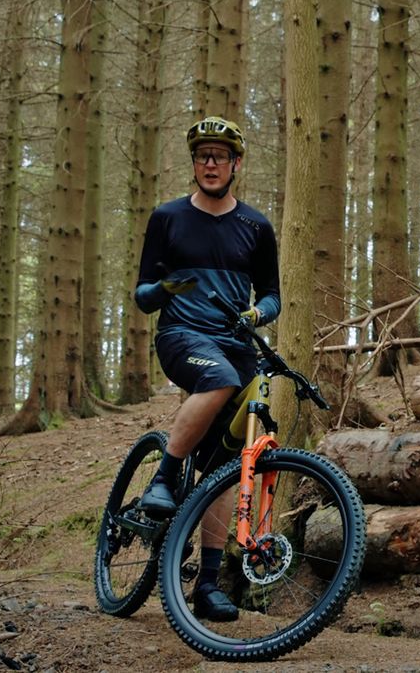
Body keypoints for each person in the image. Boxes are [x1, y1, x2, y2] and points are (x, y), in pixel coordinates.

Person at [132, 116, 280, 621]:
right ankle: (164, 479)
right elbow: (142, 295)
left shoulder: (256, 227)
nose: (210, 163)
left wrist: (258, 314)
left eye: (219, 156)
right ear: (194, 164)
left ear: (236, 164)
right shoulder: (167, 218)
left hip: (237, 344)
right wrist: (165, 288)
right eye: (202, 156)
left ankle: (209, 585)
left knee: (226, 466)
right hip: (181, 338)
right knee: (216, 378)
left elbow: (274, 295)